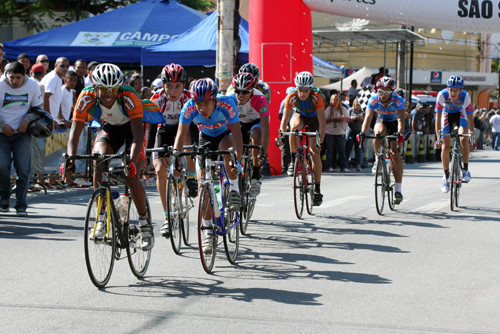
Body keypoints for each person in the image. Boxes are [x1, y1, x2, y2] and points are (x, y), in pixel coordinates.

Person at [63, 63, 154, 251]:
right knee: (99, 158)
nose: (108, 94)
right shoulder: (86, 96)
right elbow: (75, 131)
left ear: (118, 87)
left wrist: (132, 162)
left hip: (132, 130)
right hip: (111, 129)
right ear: (95, 87)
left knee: (131, 175)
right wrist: (70, 160)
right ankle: (102, 217)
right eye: (104, 89)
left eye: (113, 89)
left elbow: (138, 135)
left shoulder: (128, 96)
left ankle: (145, 225)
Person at [173, 78, 242, 253]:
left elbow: (237, 135)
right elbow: (180, 136)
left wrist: (238, 161)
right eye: (198, 103)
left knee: (228, 151)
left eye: (205, 104)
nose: (201, 108)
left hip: (225, 135)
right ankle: (208, 231)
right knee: (202, 183)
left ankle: (233, 189)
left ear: (214, 100)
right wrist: (176, 160)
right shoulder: (188, 107)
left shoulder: (227, 103)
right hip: (204, 138)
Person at [150, 63, 198, 237]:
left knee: (187, 141)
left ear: (184, 86)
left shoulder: (189, 98)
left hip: (186, 129)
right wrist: (149, 151)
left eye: (177, 86)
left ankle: (192, 176)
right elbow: (151, 127)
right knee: (160, 170)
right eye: (169, 86)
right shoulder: (157, 99)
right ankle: (167, 216)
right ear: (163, 85)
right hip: (164, 130)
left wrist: (195, 148)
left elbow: (197, 123)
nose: (173, 91)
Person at [0, 62, 44, 216]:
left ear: (24, 75)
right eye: (11, 77)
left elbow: (38, 109)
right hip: (2, 134)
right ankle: (4, 197)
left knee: (23, 170)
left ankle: (21, 205)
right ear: (7, 75)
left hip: (23, 133)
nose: (14, 81)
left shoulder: (33, 85)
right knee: (2, 166)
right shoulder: (0, 85)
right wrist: (3, 125)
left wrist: (26, 120)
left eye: (18, 77)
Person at [279, 71, 326, 206]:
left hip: (315, 120)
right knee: (293, 128)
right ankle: (294, 160)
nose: (302, 94)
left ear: (310, 89)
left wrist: (320, 141)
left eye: (305, 90)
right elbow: (285, 119)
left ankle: (317, 188)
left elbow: (322, 121)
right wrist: (282, 135)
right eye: (300, 89)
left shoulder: (317, 96)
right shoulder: (292, 96)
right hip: (301, 116)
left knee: (314, 152)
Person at [359, 76, 406, 204]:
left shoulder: (398, 100)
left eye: (386, 92)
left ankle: (398, 189)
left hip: (394, 124)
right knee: (378, 133)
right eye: (380, 91)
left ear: (392, 92)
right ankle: (377, 159)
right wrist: (362, 133)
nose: (383, 95)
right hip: (382, 121)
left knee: (395, 154)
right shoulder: (373, 99)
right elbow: (368, 118)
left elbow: (401, 119)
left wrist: (399, 133)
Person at [227, 72, 270, 196]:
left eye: (245, 92)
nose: (240, 95)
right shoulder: (230, 98)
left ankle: (256, 175)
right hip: (238, 122)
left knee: (257, 134)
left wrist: (264, 152)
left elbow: (266, 129)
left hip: (256, 122)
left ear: (252, 90)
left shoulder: (260, 98)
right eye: (238, 91)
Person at [435, 75, 474, 193]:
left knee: (463, 138)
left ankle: (466, 169)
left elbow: (470, 118)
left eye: (456, 90)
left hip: (460, 115)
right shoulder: (442, 95)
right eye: (451, 89)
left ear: (460, 91)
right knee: (445, 146)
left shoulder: (465, 96)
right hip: (446, 115)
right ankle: (446, 176)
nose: (453, 93)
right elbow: (437, 118)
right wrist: (438, 138)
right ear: (447, 89)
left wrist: (472, 136)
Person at [41, 57, 69, 130]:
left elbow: (57, 101)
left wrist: (61, 119)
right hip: (46, 121)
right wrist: (49, 119)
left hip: (53, 121)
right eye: (62, 66)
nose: (65, 68)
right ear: (55, 66)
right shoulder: (52, 78)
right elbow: (45, 97)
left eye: (67, 66)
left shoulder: (58, 78)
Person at [324, 93, 350, 172]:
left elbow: (348, 120)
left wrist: (343, 118)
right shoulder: (328, 109)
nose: (335, 102)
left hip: (340, 132)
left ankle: (344, 167)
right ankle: (329, 166)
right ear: (331, 101)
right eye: (334, 100)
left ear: (339, 101)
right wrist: (333, 119)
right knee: (330, 150)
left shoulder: (343, 109)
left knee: (342, 151)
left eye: (337, 100)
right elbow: (324, 120)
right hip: (329, 132)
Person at [345, 98, 364, 171]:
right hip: (350, 131)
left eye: (359, 105)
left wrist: (361, 118)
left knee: (358, 149)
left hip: (358, 131)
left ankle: (358, 165)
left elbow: (365, 120)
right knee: (348, 148)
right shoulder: (350, 110)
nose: (357, 106)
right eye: (356, 105)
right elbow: (347, 120)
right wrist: (354, 118)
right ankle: (345, 165)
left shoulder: (362, 112)